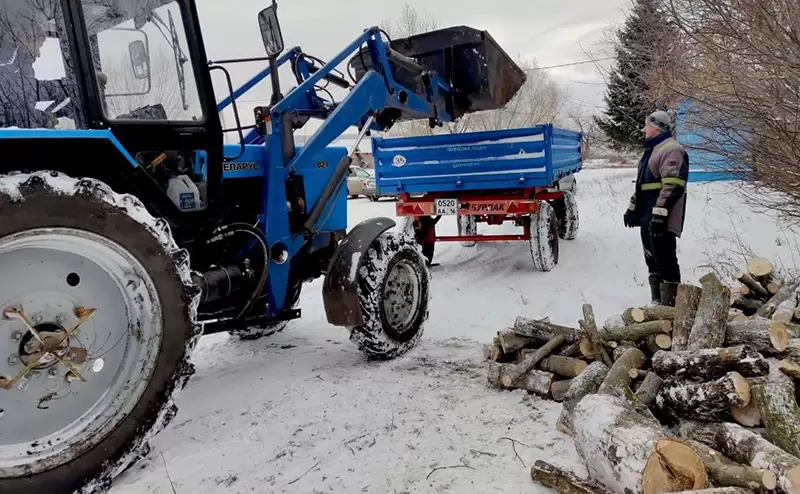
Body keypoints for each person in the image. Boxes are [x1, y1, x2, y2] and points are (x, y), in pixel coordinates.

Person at [623, 110, 689, 307]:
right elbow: (643, 186)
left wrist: (659, 216)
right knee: (652, 260)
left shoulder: (671, 149)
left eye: (647, 124)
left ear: (657, 126)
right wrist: (632, 209)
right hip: (647, 217)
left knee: (665, 260)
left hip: (662, 218)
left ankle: (671, 307)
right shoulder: (652, 150)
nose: (644, 128)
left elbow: (673, 186)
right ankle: (656, 304)